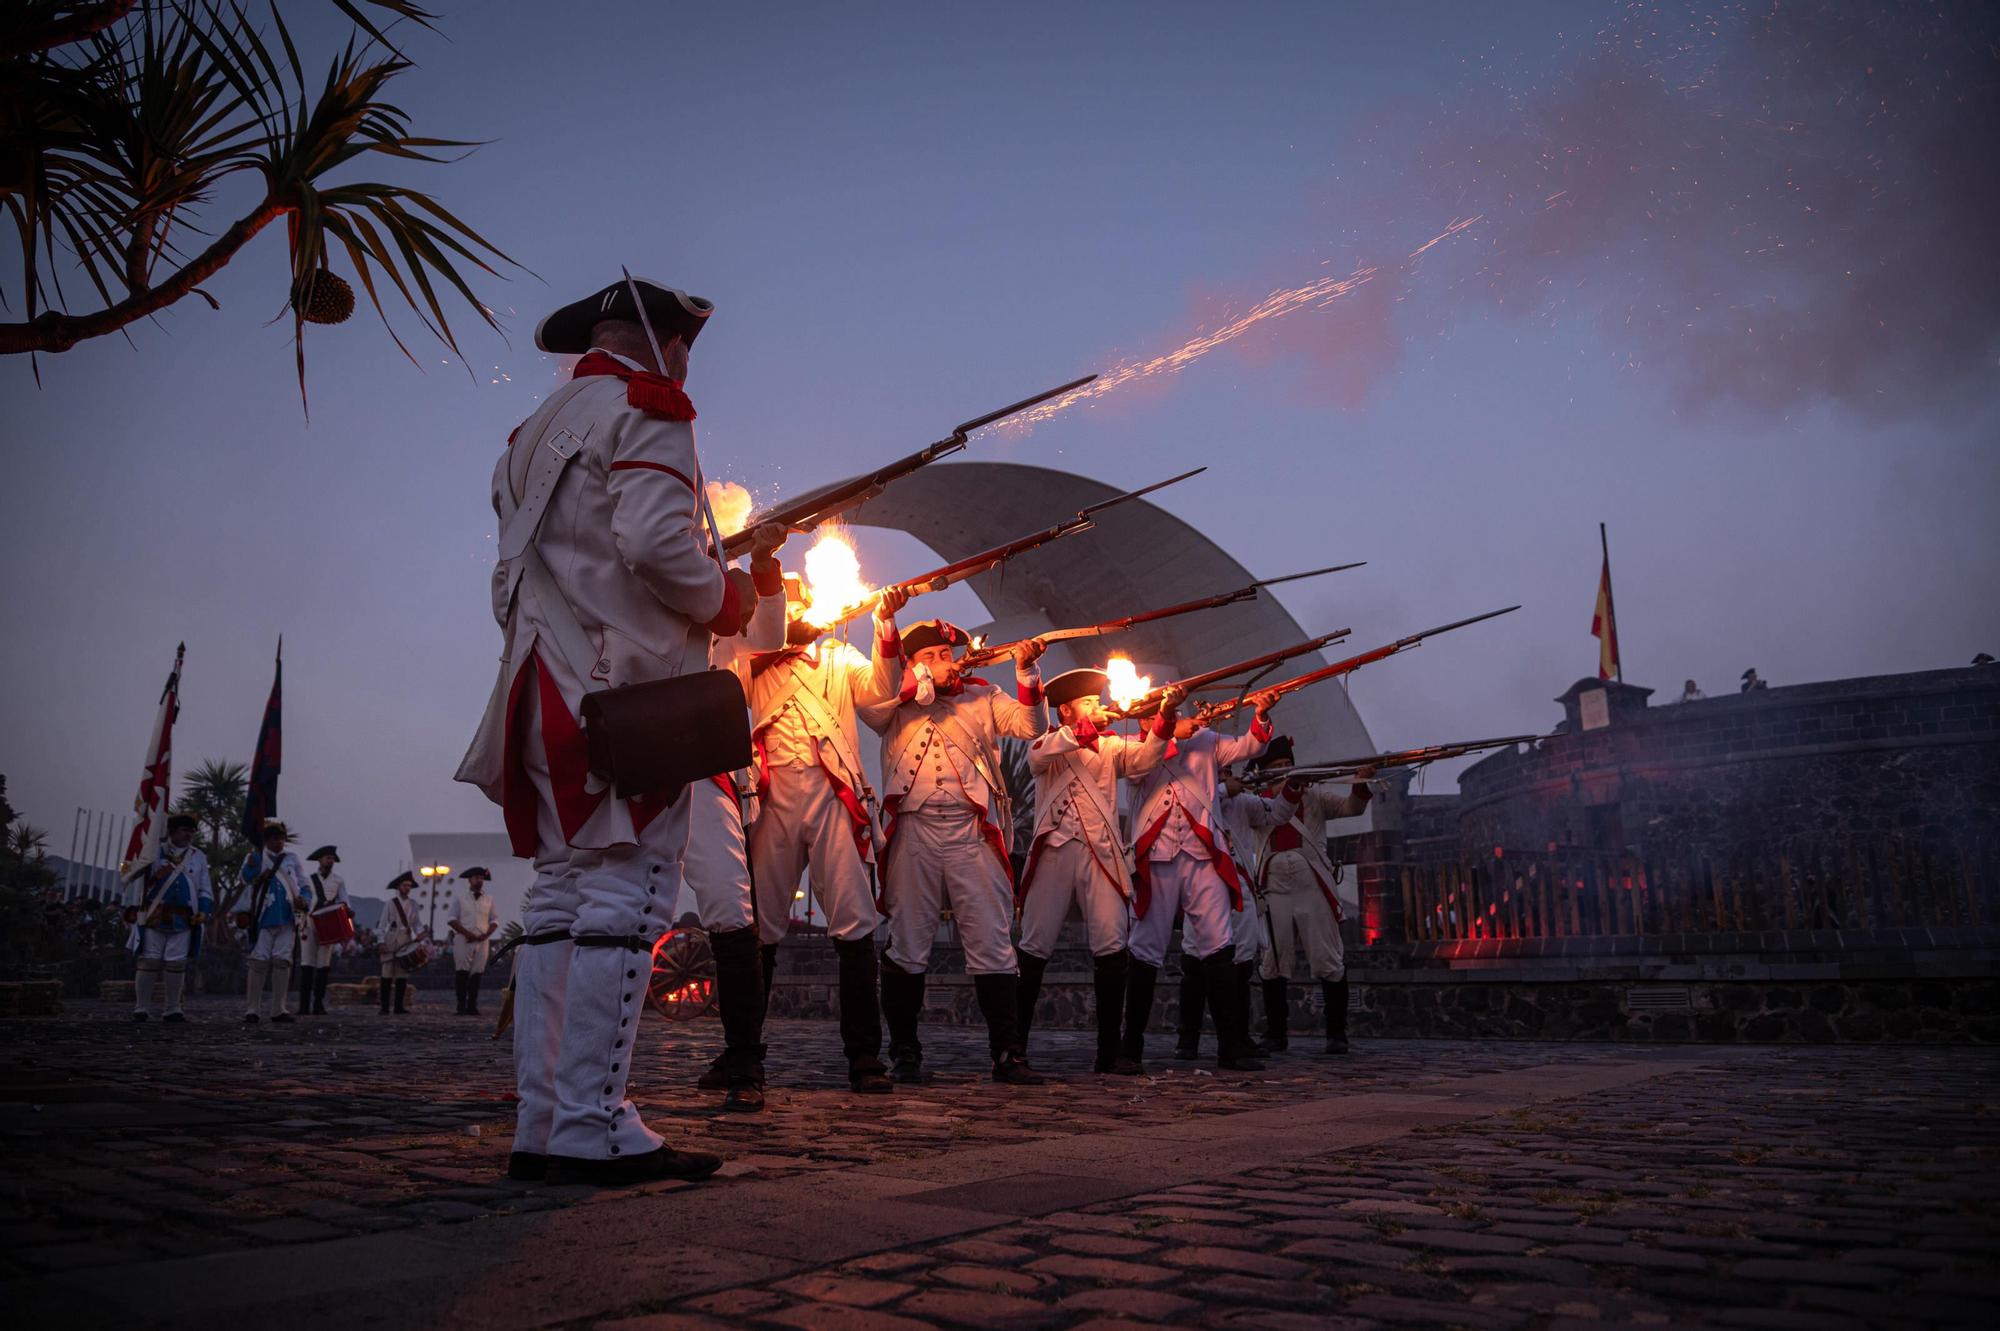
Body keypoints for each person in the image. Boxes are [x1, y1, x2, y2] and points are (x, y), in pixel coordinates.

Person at [455, 275, 758, 1186]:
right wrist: (727, 596)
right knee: (628, 899)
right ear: (663, 343)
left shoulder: (531, 434)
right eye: (685, 348)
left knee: (556, 900)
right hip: (627, 696)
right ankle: (595, 1120)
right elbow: (661, 546)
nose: (686, 365)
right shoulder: (649, 405)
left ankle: (545, 1121)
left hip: (539, 688)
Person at [857, 603, 1048, 1086]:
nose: (947, 660)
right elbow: (871, 704)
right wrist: (897, 655)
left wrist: (1027, 670)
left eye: (947, 652)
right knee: (908, 945)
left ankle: (1007, 1052)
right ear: (913, 663)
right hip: (915, 830)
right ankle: (905, 1053)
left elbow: (1031, 727)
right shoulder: (891, 702)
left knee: (991, 941)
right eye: (934, 655)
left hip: (970, 830)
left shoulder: (984, 695)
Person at [744, 572, 905, 1094]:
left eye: (797, 603)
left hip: (833, 793)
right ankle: (742, 1053)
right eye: (783, 604)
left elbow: (883, 691)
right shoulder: (753, 658)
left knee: (854, 923)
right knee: (759, 927)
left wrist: (885, 622)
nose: (793, 611)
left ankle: (864, 1057)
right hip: (773, 797)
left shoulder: (839, 657)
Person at [681, 548, 802, 1111]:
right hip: (641, 772)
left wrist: (766, 569)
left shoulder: (727, 637)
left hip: (706, 776)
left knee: (733, 916)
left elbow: (771, 630)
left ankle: (745, 1063)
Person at [1016, 667, 1166, 1075]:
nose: (1099, 705)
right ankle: (1014, 1050)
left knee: (1112, 943)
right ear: (1066, 710)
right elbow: (1038, 757)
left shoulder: (1113, 745)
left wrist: (1164, 719)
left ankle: (1109, 1051)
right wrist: (1083, 729)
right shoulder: (1050, 741)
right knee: (1034, 945)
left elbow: (1148, 758)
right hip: (1055, 850)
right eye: (1088, 701)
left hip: (1100, 850)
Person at [1123, 689, 1276, 1072]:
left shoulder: (1206, 740)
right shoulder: (1131, 745)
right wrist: (1170, 730)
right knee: (1144, 947)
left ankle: (1231, 1048)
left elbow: (1250, 747)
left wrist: (1261, 712)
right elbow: (1141, 767)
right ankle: (1129, 1049)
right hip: (1157, 853)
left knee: (1219, 943)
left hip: (1203, 852)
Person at [1256, 744, 1374, 1056]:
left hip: (1312, 883)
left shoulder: (1315, 796)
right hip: (1274, 884)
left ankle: (1336, 1033)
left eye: (1287, 763)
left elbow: (1352, 808)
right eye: (1277, 764)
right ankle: (1275, 1034)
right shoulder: (1256, 801)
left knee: (1327, 958)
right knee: (1273, 961)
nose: (1283, 769)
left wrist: (1360, 781)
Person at [1185, 763, 1284, 1060]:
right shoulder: (1194, 793)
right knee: (1194, 961)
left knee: (1242, 961)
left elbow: (1277, 814)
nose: (1224, 777)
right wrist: (1223, 790)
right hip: (1200, 882)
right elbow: (1196, 802)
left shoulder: (1243, 802)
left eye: (1227, 771)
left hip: (1238, 884)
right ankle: (1187, 1039)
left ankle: (1238, 1037)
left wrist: (1291, 787)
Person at [123, 813, 211, 1022]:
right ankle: (141, 1007)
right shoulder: (152, 852)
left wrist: (204, 909)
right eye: (184, 830)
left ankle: (173, 1008)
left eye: (191, 831)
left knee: (176, 964)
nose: (189, 834)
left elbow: (204, 887)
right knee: (149, 962)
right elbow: (133, 875)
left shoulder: (198, 856)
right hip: (155, 914)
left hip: (183, 917)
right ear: (171, 831)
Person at [238, 820, 309, 1024]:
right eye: (274, 838)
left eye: (281, 838)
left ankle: (279, 1009)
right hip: (262, 915)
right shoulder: (255, 857)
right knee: (259, 961)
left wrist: (304, 899)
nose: (278, 842)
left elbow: (304, 884)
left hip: (287, 915)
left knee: (282, 961)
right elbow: (245, 879)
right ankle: (252, 1009)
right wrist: (253, 866)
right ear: (266, 840)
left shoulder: (292, 859)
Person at [297, 845, 348, 1016]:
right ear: (319, 860)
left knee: (323, 966)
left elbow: (344, 901)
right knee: (306, 964)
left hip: (329, 926)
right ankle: (304, 1005)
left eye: (332, 858)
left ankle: (318, 1004)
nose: (330, 861)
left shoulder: (338, 880)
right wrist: (299, 923)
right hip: (309, 924)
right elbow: (300, 901)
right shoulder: (308, 880)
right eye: (327, 858)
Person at [448, 867, 500, 1016]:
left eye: (481, 878)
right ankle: (460, 1005)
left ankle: (472, 1005)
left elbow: (495, 920)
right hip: (463, 938)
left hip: (482, 940)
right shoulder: (460, 898)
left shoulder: (489, 899)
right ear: (469, 880)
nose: (480, 880)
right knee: (462, 972)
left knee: (477, 973)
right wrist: (467, 933)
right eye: (476, 877)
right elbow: (451, 919)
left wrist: (487, 934)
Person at [377, 871, 424, 1014]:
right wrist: (381, 942)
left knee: (402, 975)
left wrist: (421, 933)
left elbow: (417, 924)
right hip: (391, 939)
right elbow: (382, 925)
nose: (407, 888)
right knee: (386, 974)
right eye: (405, 885)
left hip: (406, 940)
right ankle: (384, 1007)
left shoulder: (413, 904)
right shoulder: (390, 904)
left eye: (409, 886)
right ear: (399, 887)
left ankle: (398, 1006)